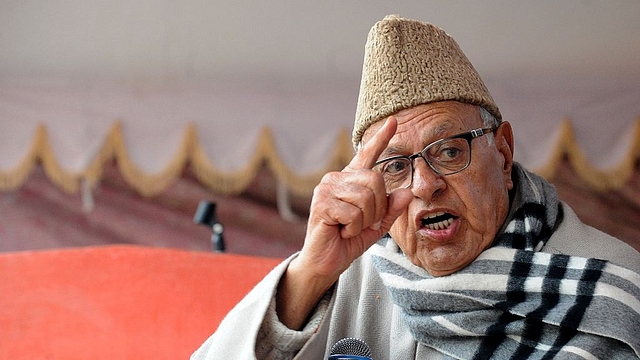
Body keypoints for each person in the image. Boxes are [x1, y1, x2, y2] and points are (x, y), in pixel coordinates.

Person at [192, 15, 640, 359]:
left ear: (503, 154)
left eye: (449, 152)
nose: (425, 186)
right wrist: (309, 273)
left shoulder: (612, 284)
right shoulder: (344, 274)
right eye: (394, 166)